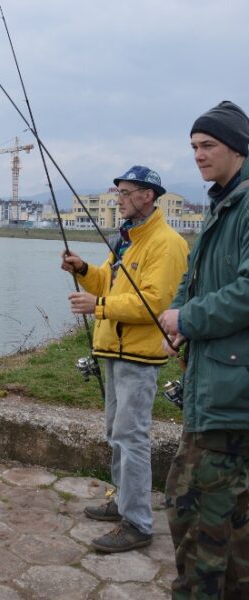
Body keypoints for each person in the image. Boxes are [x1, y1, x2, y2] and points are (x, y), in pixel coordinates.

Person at [61, 165, 188, 553]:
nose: (118, 199)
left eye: (125, 193)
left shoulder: (165, 244)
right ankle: (121, 502)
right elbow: (110, 281)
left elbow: (154, 303)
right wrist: (84, 271)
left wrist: (98, 307)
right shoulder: (126, 240)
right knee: (116, 433)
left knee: (132, 438)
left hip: (139, 355)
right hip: (114, 350)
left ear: (147, 196)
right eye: (117, 193)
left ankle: (138, 522)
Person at [159, 101, 249, 598]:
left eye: (208, 145)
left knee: (199, 514)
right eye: (193, 146)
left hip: (231, 392)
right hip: (213, 385)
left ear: (236, 145)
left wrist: (188, 318)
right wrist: (178, 319)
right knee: (209, 514)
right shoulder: (222, 203)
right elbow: (192, 281)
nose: (197, 154)